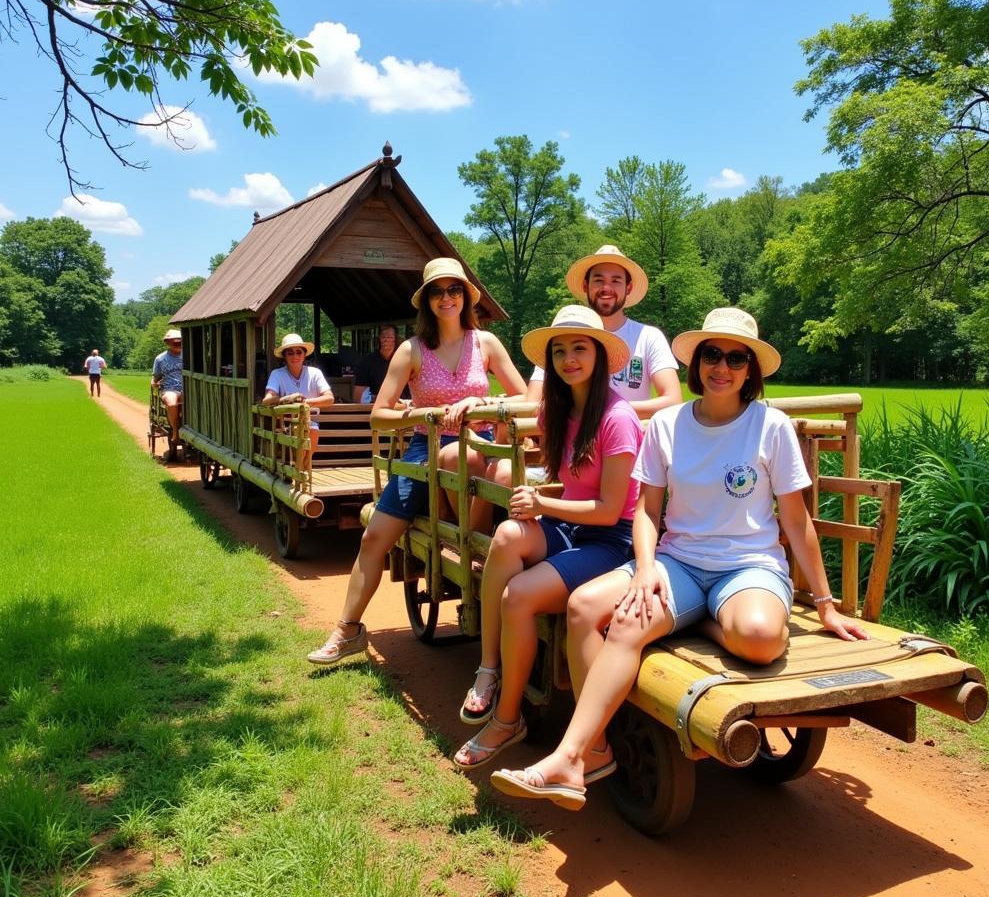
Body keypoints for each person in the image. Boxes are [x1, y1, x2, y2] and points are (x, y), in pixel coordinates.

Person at [490, 307, 870, 810]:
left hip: (749, 565)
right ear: (697, 363)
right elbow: (647, 513)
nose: (722, 366)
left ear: (750, 370)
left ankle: (708, 622)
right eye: (712, 354)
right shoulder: (667, 424)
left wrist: (824, 603)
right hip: (680, 562)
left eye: (737, 358)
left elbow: (796, 522)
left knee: (757, 638)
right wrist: (645, 569)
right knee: (589, 607)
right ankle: (577, 754)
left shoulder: (770, 426)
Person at [307, 257, 527, 666]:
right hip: (426, 447)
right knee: (374, 538)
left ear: (466, 296)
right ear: (427, 301)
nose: (448, 298)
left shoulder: (486, 344)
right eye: (438, 291)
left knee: (496, 467)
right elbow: (380, 414)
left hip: (476, 441)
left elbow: (523, 396)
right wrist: (420, 415)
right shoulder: (411, 350)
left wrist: (482, 400)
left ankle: (475, 545)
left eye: (455, 289)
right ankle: (347, 630)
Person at [452, 305, 643, 771]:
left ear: (600, 355)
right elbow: (560, 472)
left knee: (519, 595)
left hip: (612, 540)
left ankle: (507, 718)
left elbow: (611, 510)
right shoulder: (557, 409)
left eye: (579, 348)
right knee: (506, 536)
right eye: (559, 350)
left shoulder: (617, 418)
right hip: (572, 525)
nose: (568, 358)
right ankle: (489, 669)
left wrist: (543, 504)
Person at [524, 245, 681, 420]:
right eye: (598, 280)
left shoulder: (648, 337)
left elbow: (673, 401)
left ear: (628, 288)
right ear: (585, 285)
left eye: (616, 280)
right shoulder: (562, 336)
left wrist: (602, 411)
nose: (606, 288)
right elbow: (533, 403)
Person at [262, 333, 335, 472]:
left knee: (312, 428)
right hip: (286, 422)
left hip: (311, 420)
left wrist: (305, 402)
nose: (295, 356)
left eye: (298, 352)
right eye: (290, 353)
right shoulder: (277, 374)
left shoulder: (315, 373)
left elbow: (329, 398)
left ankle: (302, 467)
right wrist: (289, 399)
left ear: (304, 354)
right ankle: (301, 470)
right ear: (284, 356)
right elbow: (267, 400)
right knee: (303, 430)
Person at [354, 324, 408, 404]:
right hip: (375, 408)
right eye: (383, 337)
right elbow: (358, 396)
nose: (386, 340)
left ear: (395, 339)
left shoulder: (405, 361)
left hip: (401, 407)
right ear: (379, 339)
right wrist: (372, 399)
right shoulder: (367, 362)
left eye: (389, 337)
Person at [151, 329, 184, 457]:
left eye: (179, 341)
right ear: (168, 343)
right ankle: (175, 432)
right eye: (174, 342)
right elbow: (156, 378)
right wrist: (154, 383)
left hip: (187, 389)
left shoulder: (189, 355)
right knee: (171, 401)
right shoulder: (160, 359)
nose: (177, 343)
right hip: (170, 389)